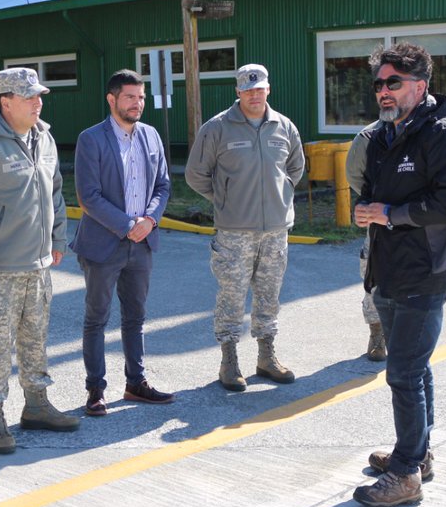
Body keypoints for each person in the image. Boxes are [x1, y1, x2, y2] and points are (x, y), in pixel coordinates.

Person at [352, 42, 446, 507]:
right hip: (389, 268)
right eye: (379, 85)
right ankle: (418, 453)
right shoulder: (387, 134)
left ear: (420, 86)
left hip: (426, 271)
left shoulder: (443, 135)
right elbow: (372, 190)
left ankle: (406, 474)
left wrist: (388, 213)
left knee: (403, 373)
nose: (383, 92)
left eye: (394, 83)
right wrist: (368, 210)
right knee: (416, 368)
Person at [0, 67, 78, 454]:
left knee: (35, 339)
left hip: (38, 265)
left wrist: (57, 238)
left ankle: (36, 405)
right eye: (29, 97)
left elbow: (55, 192)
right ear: (6, 102)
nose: (38, 102)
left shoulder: (45, 137)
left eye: (39, 95)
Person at [186, 63, 305, 391]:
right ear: (238, 92)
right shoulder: (218, 129)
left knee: (269, 295)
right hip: (234, 231)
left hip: (276, 230)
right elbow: (196, 174)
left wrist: (279, 195)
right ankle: (229, 361)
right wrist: (225, 198)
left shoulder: (284, 127)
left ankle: (266, 357)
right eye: (248, 89)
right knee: (232, 296)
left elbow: (295, 167)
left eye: (260, 88)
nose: (254, 94)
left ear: (269, 89)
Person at [70, 69, 173, 416]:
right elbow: (89, 196)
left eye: (141, 97)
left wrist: (150, 220)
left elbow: (163, 186)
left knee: (136, 317)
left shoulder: (151, 136)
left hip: (142, 243)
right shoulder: (91, 139)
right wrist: (128, 225)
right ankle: (96, 390)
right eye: (130, 97)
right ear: (112, 99)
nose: (137, 104)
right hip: (103, 243)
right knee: (96, 318)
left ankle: (136, 383)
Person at [345, 121, 387, 361]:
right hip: (377, 219)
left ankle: (404, 336)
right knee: (373, 277)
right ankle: (377, 334)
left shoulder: (425, 129)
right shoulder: (369, 136)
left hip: (414, 220)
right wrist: (373, 201)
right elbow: (354, 174)